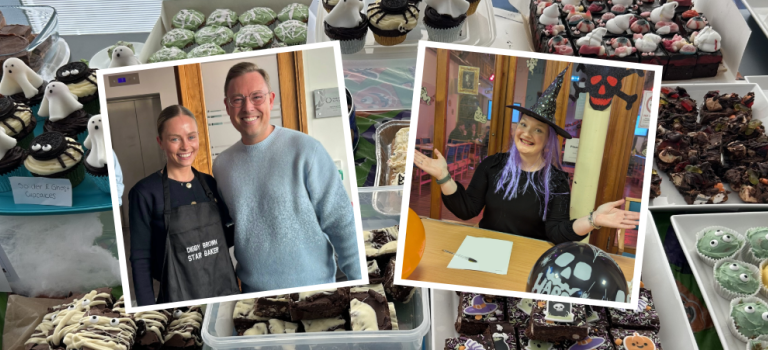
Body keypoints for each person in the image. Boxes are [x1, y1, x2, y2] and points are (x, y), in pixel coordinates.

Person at [413, 69, 640, 244]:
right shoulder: (493, 165)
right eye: (523, 124)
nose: (527, 133)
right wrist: (444, 176)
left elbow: (556, 232)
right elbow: (466, 210)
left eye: (538, 129)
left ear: (548, 140)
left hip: (528, 252)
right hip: (486, 247)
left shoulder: (556, 180)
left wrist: (593, 221)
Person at [212, 62, 362, 293]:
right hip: (254, 296)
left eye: (257, 97)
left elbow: (342, 223)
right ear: (227, 106)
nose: (248, 107)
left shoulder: (306, 150)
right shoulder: (222, 165)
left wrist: (362, 288)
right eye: (238, 99)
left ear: (271, 100)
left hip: (316, 292)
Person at [129, 105, 239, 306]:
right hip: (179, 305)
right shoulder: (144, 193)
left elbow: (226, 237)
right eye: (174, 139)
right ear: (160, 142)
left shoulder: (211, 184)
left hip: (225, 296)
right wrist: (148, 313)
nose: (185, 146)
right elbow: (140, 258)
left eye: (191, 137)